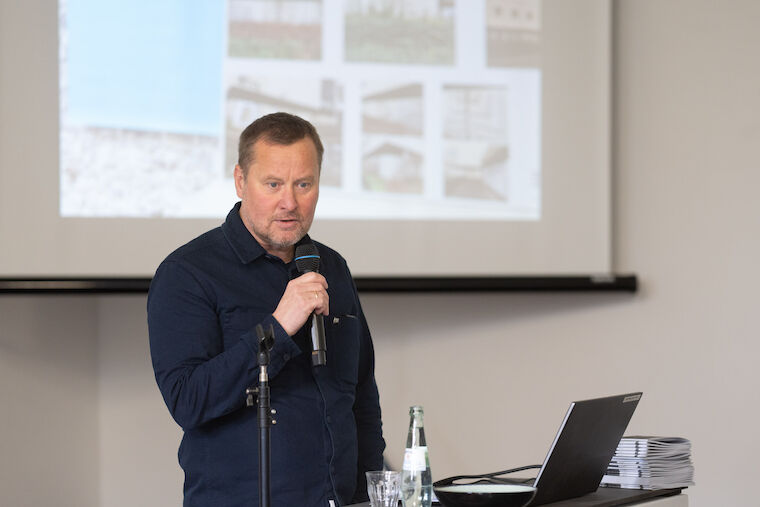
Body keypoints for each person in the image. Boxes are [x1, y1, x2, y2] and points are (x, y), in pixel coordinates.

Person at [147, 112, 385, 507]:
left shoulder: (332, 267)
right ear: (241, 180)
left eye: (303, 184)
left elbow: (361, 397)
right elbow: (188, 401)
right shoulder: (187, 273)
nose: (289, 202)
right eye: (273, 184)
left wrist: (368, 497)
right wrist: (277, 327)